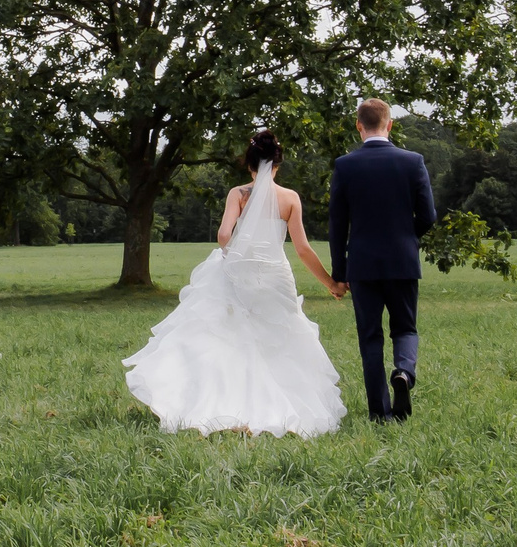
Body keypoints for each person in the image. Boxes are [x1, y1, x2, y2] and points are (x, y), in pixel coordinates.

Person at [120, 128, 348, 438]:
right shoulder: (290, 198)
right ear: (277, 164)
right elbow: (303, 249)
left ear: (249, 164)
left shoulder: (239, 195)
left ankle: (224, 403)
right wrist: (331, 284)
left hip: (240, 272)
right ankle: (287, 407)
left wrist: (236, 256)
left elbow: (224, 236)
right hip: (275, 276)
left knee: (230, 336)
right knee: (282, 338)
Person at [327, 98, 436, 421]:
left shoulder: (345, 165)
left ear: (359, 125)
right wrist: (407, 237)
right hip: (402, 260)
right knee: (405, 328)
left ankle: (380, 412)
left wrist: (339, 272)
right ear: (390, 124)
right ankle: (404, 371)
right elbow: (428, 216)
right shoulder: (413, 161)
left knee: (370, 336)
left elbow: (337, 225)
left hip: (362, 264)